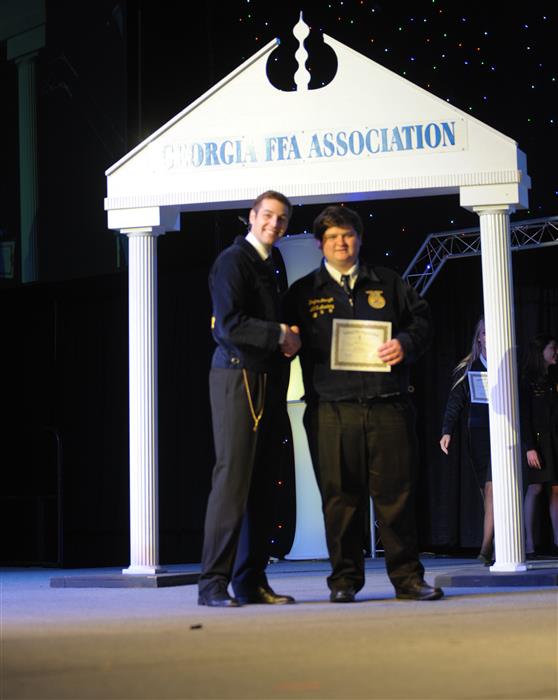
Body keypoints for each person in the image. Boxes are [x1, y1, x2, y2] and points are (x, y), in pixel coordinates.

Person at [285, 204, 443, 602]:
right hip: (330, 410)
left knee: (396, 498)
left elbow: (423, 322)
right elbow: (283, 335)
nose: (341, 243)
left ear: (359, 238)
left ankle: (408, 579)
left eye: (348, 235)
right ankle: (343, 582)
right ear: (320, 244)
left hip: (389, 405)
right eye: (332, 237)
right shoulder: (302, 292)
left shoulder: (388, 282)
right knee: (339, 500)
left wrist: (405, 344)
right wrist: (286, 340)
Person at [198, 191, 301, 607]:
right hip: (238, 377)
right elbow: (228, 325)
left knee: (263, 485)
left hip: (267, 380)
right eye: (268, 215)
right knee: (233, 482)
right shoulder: (233, 261)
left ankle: (251, 581)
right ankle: (212, 584)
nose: (274, 223)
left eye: (282, 219)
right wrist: (279, 334)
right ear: (252, 216)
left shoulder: (268, 263)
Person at [439, 318, 494, 565]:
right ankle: (496, 544)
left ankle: (485, 549)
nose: (489, 336)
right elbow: (455, 401)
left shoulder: (507, 365)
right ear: (479, 337)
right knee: (486, 494)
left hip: (503, 435)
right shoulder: (469, 366)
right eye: (485, 332)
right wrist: (447, 431)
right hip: (478, 435)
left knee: (493, 490)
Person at [521, 333, 558, 558]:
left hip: (554, 439)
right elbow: (524, 417)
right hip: (538, 440)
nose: (556, 352)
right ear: (541, 351)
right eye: (553, 348)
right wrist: (530, 447)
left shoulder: (552, 378)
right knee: (535, 487)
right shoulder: (528, 380)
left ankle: (557, 541)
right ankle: (529, 543)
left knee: (556, 489)